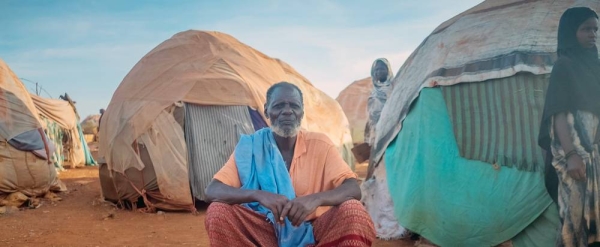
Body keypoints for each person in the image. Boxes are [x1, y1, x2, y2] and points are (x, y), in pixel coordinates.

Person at [204, 82, 376, 247]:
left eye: (294, 105)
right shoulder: (251, 146)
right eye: (279, 106)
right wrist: (258, 195)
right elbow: (213, 190)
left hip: (314, 228)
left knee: (353, 209)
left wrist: (315, 199)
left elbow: (353, 188)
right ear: (266, 110)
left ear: (302, 111)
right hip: (263, 228)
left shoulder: (320, 144)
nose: (287, 111)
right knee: (218, 211)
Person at [538, 7, 600, 247]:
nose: (593, 34)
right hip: (572, 154)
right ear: (570, 31)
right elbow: (558, 114)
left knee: (595, 219)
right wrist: (572, 155)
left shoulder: (596, 67)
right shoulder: (564, 66)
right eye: (586, 29)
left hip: (595, 154)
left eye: (595, 29)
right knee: (573, 220)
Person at [365, 58, 394, 146]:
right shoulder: (373, 91)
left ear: (388, 70)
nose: (378, 72)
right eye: (376, 69)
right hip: (375, 130)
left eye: (382, 69)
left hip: (390, 127)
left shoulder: (393, 88)